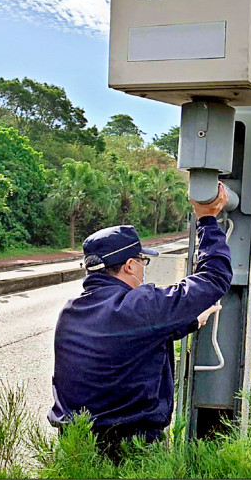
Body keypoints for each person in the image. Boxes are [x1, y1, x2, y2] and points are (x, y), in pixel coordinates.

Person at [47, 182, 232, 459]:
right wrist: (207, 218)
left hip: (76, 446)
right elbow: (214, 278)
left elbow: (128, 340)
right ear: (130, 265)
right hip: (130, 449)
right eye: (143, 262)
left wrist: (190, 322)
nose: (144, 271)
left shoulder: (72, 311)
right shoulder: (139, 306)